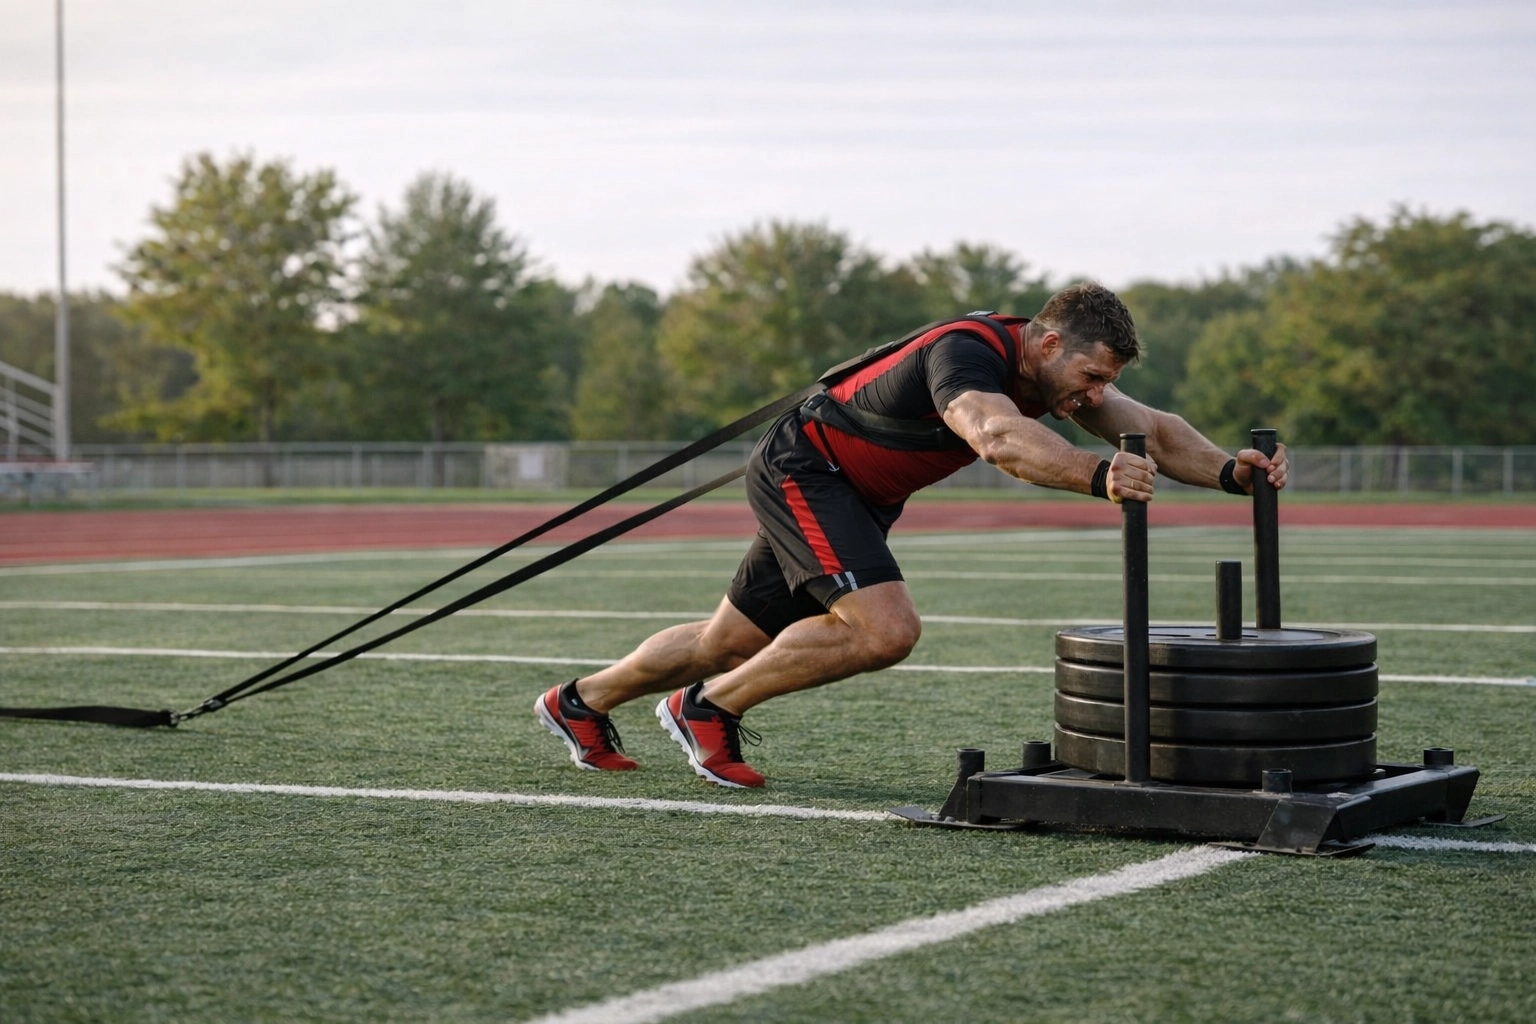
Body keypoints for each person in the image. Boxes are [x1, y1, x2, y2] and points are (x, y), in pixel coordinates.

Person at [535, 282, 1288, 787]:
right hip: (808, 470)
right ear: (1049, 342)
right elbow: (995, 436)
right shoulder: (965, 354)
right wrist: (1097, 477)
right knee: (885, 630)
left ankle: (580, 701)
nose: (1094, 396)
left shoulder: (1063, 379)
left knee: (724, 640)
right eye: (1089, 377)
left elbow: (1154, 429)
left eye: (1103, 383)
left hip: (857, 495)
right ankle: (708, 708)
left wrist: (1232, 472)